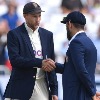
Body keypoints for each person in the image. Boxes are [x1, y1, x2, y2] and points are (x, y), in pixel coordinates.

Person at [3, 2, 58, 100]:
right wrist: (40, 62)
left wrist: (54, 91)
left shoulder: (47, 35)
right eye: (34, 16)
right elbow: (15, 60)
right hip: (21, 87)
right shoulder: (14, 34)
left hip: (42, 87)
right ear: (25, 16)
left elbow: (51, 63)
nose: (38, 20)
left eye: (39, 16)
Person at [48, 11, 100, 100]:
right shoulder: (90, 42)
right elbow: (73, 68)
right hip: (85, 94)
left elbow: (81, 70)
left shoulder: (76, 42)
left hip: (77, 94)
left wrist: (92, 93)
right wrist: (54, 65)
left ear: (69, 24)